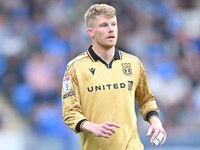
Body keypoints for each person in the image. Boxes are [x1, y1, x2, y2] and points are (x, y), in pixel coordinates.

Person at [62, 3, 166, 150]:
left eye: (114, 24)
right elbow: (69, 113)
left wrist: (155, 121)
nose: (111, 29)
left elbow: (146, 99)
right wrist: (91, 127)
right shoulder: (75, 68)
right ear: (90, 32)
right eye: (104, 25)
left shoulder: (133, 63)